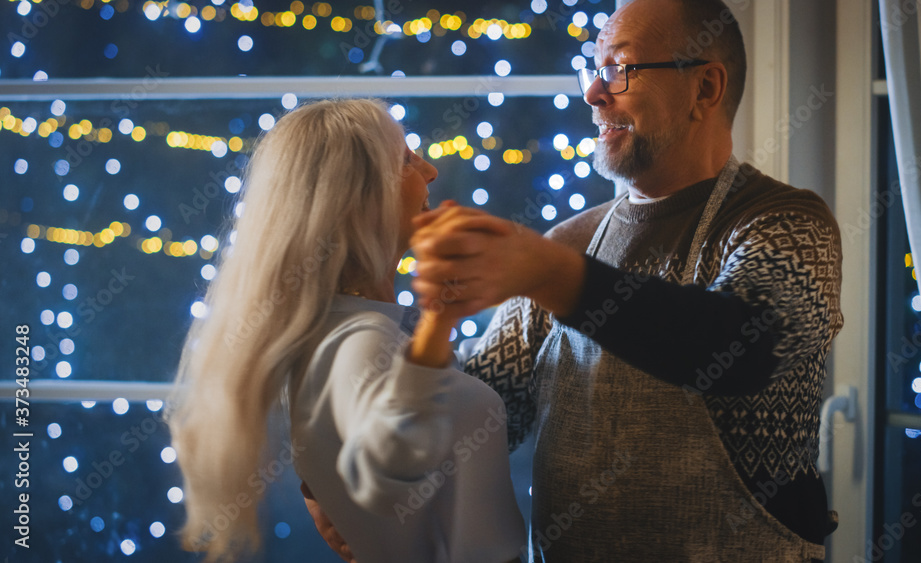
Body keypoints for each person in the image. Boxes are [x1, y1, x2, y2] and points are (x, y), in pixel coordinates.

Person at [407, 0, 843, 561]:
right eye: (595, 69)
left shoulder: (784, 223)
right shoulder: (566, 243)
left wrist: (553, 276)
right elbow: (486, 416)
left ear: (705, 89)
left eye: (622, 68)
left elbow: (742, 344)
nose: (593, 93)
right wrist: (344, 487)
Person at [166, 98, 525, 563]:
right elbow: (388, 460)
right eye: (406, 160)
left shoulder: (347, 330)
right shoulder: (362, 341)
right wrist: (441, 316)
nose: (431, 171)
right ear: (359, 196)